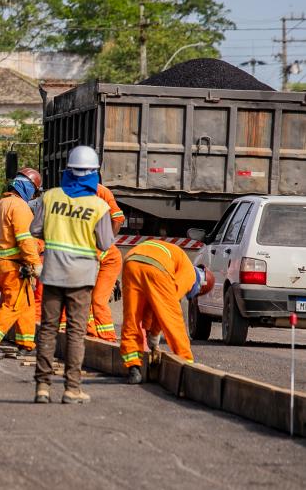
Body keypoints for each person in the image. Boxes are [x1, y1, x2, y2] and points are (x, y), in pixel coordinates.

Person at [30, 146, 114, 404]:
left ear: (68, 171)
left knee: (47, 330)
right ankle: (71, 389)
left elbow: (35, 230)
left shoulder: (51, 197)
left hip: (53, 274)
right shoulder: (99, 206)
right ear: (93, 174)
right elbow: (105, 243)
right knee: (76, 332)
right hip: (81, 278)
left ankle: (42, 387)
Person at [120, 240, 214, 384]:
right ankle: (186, 363)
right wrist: (154, 337)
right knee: (173, 319)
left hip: (131, 262)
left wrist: (150, 331)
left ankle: (133, 368)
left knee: (132, 317)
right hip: (156, 267)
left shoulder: (177, 256)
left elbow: (151, 307)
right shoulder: (190, 274)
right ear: (200, 286)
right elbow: (165, 309)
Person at [0, 168, 43, 355]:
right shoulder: (20, 207)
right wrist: (35, 263)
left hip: (1, 264)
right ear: (28, 188)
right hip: (14, 266)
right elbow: (25, 240)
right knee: (13, 304)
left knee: (27, 304)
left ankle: (26, 344)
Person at [87, 183, 125, 341]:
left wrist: (106, 241)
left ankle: (108, 338)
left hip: (109, 259)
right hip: (94, 256)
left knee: (97, 300)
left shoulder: (102, 192)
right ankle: (90, 333)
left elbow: (118, 218)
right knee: (85, 299)